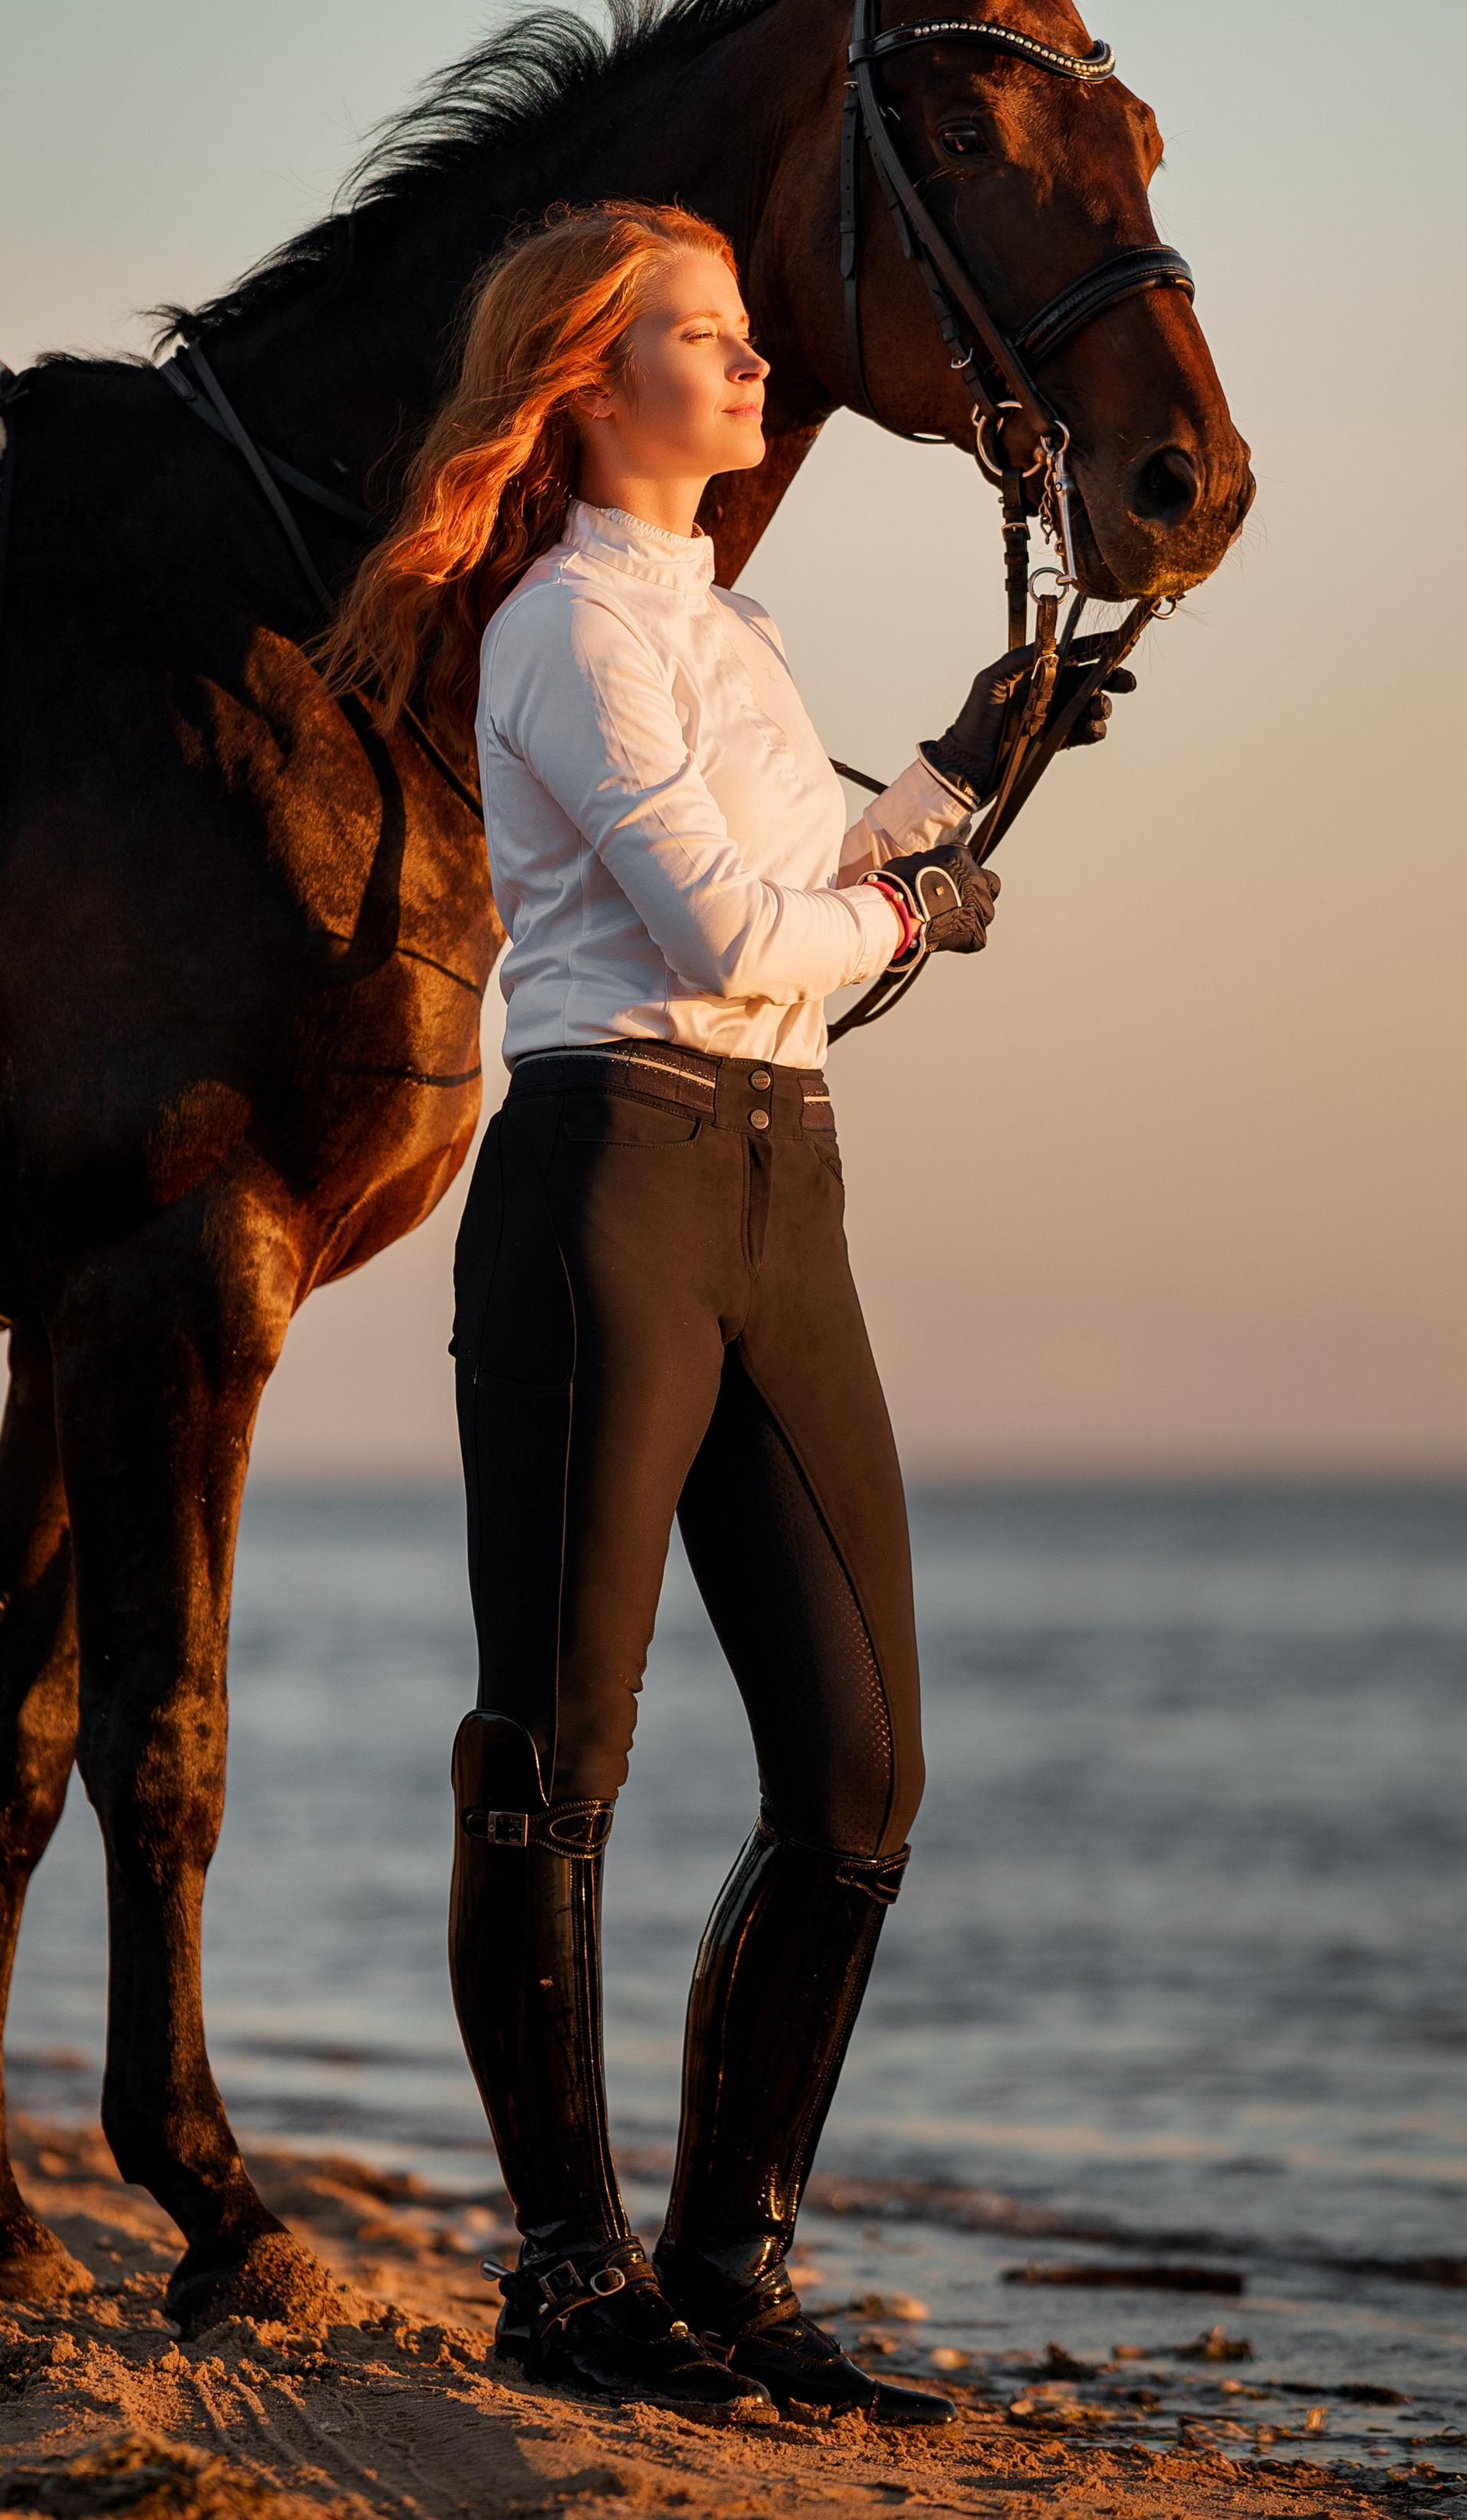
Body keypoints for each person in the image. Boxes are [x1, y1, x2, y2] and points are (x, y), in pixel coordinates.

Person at [324, 201, 1128, 2425]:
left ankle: (725, 2269)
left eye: (754, 332)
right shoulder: (565, 633)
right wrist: (916, 905)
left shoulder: (729, 629)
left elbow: (814, 905)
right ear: (594, 386)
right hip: (609, 1184)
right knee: (560, 1760)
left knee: (863, 1765)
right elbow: (725, 919)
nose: (759, 360)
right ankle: (567, 2279)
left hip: (782, 1185)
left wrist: (973, 756)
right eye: (711, 334)